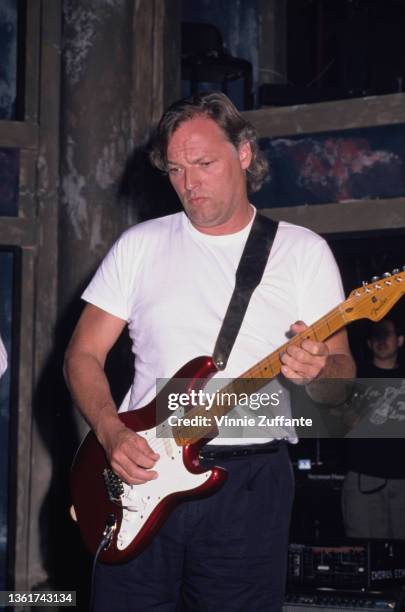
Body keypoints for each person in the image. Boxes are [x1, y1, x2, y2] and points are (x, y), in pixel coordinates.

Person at [64, 92, 355, 612]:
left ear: (244, 152)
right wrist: (110, 433)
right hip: (142, 470)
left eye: (203, 164)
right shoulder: (139, 244)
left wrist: (318, 372)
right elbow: (82, 354)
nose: (188, 183)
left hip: (249, 484)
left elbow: (340, 382)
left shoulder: (302, 252)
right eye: (175, 169)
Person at [342, 318, 405, 539]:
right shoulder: (355, 378)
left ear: (400, 340)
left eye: (386, 334)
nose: (381, 340)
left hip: (404, 481)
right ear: (369, 343)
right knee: (368, 554)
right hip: (364, 479)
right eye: (376, 336)